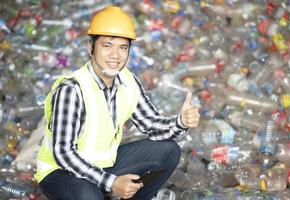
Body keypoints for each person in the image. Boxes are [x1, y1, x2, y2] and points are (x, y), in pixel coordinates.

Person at [34, 5, 200, 200]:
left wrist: (181, 122)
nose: (115, 55)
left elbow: (152, 125)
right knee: (90, 196)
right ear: (91, 47)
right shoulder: (72, 89)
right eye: (107, 46)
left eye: (123, 47)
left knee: (169, 151)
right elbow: (63, 153)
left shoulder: (128, 81)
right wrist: (112, 183)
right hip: (60, 171)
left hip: (103, 164)